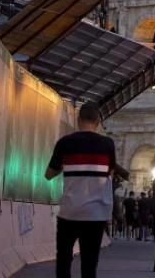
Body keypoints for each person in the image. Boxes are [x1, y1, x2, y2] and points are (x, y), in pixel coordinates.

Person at [45, 102, 118, 278]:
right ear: (98, 122)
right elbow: (111, 173)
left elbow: (49, 174)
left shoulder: (65, 143)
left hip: (70, 212)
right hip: (96, 214)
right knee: (89, 264)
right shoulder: (107, 144)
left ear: (78, 120)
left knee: (63, 260)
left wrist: (69, 165)